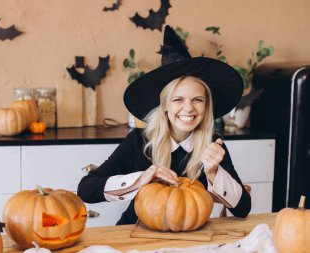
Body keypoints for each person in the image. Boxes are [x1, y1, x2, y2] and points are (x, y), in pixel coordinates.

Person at [77, 25, 251, 225]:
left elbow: (243, 209)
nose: (189, 109)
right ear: (165, 105)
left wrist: (213, 172)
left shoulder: (213, 144)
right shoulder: (139, 141)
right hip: (136, 232)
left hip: (190, 238)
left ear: (206, 106)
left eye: (197, 100)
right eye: (178, 100)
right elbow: (86, 189)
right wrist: (142, 179)